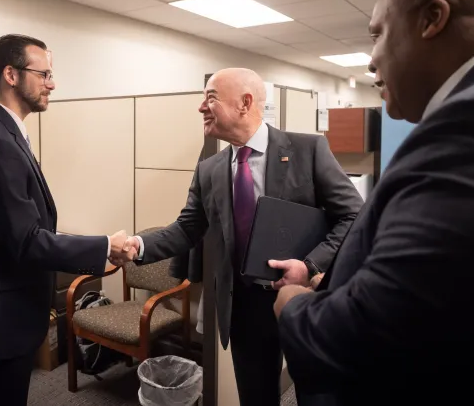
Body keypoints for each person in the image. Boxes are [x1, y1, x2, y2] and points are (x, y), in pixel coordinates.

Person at [274, 0, 474, 406]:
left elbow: (372, 337)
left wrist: (293, 304)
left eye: (378, 34)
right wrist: (328, 280)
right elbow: (442, 280)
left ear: (433, 18)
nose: (371, 61)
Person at [121, 68, 364, 405]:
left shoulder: (308, 150)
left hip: (304, 295)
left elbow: (354, 215)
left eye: (210, 98)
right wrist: (140, 244)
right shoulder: (210, 168)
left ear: (244, 103)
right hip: (244, 305)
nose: (201, 107)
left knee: (317, 393)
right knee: (256, 396)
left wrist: (310, 265)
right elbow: (188, 227)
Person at [0, 34, 136, 406]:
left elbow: (22, 226)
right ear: (11, 75)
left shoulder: (3, 132)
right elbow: (28, 241)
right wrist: (103, 247)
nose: (53, 83)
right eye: (44, 74)